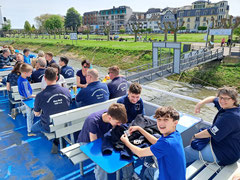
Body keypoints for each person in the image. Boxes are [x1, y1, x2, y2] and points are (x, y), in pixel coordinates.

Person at [120, 106, 186, 180]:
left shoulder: (167, 143)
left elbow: (140, 153)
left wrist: (126, 142)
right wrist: (140, 129)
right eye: (159, 119)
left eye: (166, 120)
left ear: (175, 122)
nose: (161, 123)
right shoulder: (175, 134)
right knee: (149, 171)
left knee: (147, 172)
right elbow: (157, 142)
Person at [185, 86, 240, 166]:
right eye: (221, 97)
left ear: (234, 100)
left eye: (226, 99)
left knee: (187, 151)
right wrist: (200, 104)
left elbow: (210, 133)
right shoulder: (231, 107)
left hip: (224, 155)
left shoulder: (230, 117)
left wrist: (194, 136)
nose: (222, 101)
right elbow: (212, 98)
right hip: (229, 147)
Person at [77, 103, 127, 180]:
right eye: (118, 122)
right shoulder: (93, 121)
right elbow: (94, 144)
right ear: (110, 118)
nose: (119, 124)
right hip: (87, 142)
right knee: (102, 165)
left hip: (102, 138)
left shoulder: (113, 114)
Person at [32, 67, 72, 153]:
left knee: (33, 128)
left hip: (48, 126)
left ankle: (55, 140)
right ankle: (57, 140)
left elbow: (36, 113)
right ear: (57, 78)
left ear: (45, 78)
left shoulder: (40, 96)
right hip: (65, 123)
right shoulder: (67, 91)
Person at [17, 63, 36, 136]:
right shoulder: (24, 82)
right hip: (27, 100)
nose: (31, 73)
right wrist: (36, 96)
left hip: (24, 98)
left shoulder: (21, 78)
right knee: (30, 115)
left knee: (30, 114)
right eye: (30, 72)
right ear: (25, 73)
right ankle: (30, 131)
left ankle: (18, 109)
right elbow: (27, 95)